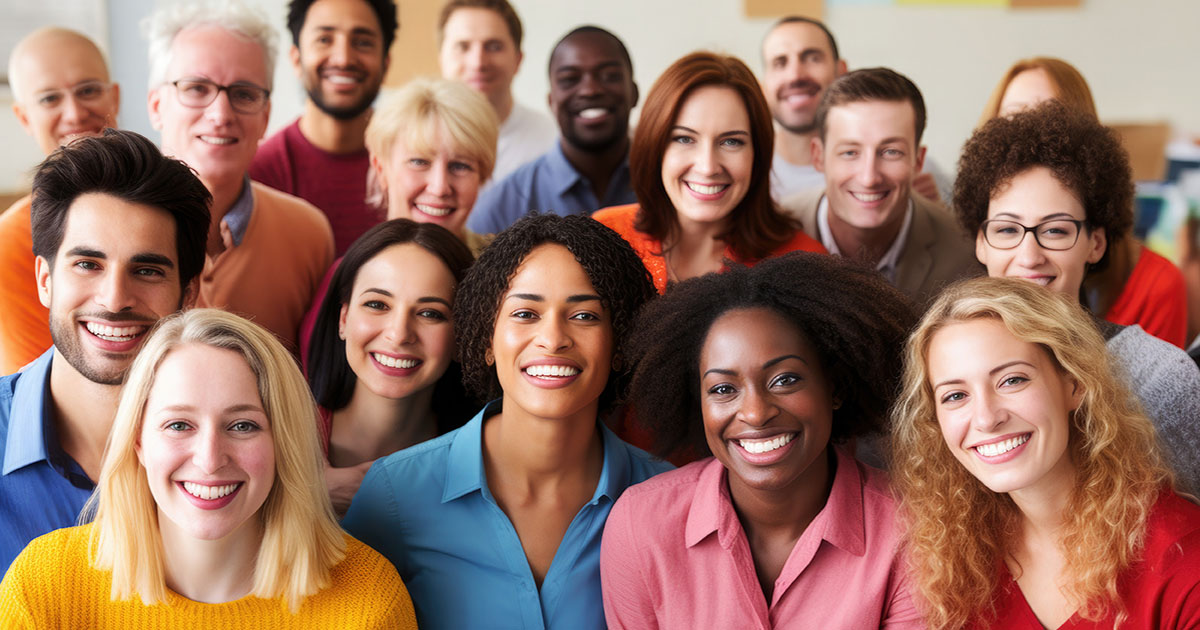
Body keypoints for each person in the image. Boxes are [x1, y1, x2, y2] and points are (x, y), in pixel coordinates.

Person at [343, 213, 672, 630]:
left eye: (585, 316)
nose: (552, 339)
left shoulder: (666, 500)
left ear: (620, 343)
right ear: (486, 340)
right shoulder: (395, 494)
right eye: (525, 314)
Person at [0, 309, 415, 627]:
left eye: (242, 425)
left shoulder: (368, 602)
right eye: (179, 424)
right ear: (139, 441)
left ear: (282, 444)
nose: (210, 458)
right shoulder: (45, 587)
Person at [601, 252, 921, 628]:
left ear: (834, 387)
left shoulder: (911, 528)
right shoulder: (641, 525)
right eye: (723, 388)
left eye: (785, 380)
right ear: (697, 402)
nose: (754, 413)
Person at [891, 277, 1200, 630]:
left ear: (1075, 384)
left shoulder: (1185, 561)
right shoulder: (956, 557)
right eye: (955, 396)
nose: (987, 418)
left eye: (1012, 380)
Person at [955, 102, 1200, 492]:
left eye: (1055, 230)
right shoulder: (947, 370)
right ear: (981, 243)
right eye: (1006, 230)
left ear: (1096, 244)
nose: (1029, 255)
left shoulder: (1159, 378)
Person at [0, 129, 209, 574]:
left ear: (188, 293)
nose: (115, 299)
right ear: (44, 279)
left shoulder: (229, 452)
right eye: (87, 264)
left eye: (147, 269)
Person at [146, 0, 335, 351]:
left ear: (265, 117)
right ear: (157, 106)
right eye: (197, 88)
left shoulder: (308, 234)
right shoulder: (114, 231)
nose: (220, 114)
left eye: (244, 94)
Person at [978, 57, 1187, 348]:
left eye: (1050, 116)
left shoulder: (1155, 287)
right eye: (1014, 116)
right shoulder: (966, 266)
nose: (1029, 132)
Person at [594, 52, 825, 294]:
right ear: (655, 146)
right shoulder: (605, 236)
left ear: (758, 153)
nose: (707, 167)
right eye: (684, 139)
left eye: (731, 142)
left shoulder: (803, 265)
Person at [307, 219, 476, 514]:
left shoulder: (480, 467)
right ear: (343, 318)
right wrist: (306, 492)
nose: (398, 334)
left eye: (429, 313)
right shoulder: (276, 439)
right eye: (377, 305)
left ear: (461, 338)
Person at [780, 67, 977, 308]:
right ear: (818, 156)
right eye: (850, 152)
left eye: (891, 152)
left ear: (918, 160)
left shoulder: (965, 255)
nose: (869, 177)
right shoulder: (771, 234)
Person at [0, 27, 121, 373]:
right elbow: (39, 387)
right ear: (24, 117)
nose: (74, 114)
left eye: (88, 91)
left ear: (114, 97)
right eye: (50, 99)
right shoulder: (12, 241)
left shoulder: (169, 205)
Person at [251, 0, 397, 255]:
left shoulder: (417, 168)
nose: (343, 59)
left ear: (385, 63)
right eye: (324, 39)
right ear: (296, 59)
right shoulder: (258, 174)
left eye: (362, 42)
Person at [467, 26, 638, 234]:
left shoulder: (670, 185)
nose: (590, 90)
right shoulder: (501, 206)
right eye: (569, 79)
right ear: (551, 102)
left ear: (635, 93)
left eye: (609, 76)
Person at [364, 76, 499, 253]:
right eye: (419, 162)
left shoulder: (514, 273)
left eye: (460, 166)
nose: (439, 188)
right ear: (381, 170)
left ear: (481, 175)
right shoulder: (351, 276)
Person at [437, 0, 557, 183]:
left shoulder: (553, 143)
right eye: (463, 46)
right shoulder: (407, 142)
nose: (478, 63)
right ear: (441, 57)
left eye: (494, 47)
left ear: (518, 60)